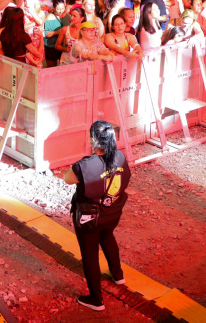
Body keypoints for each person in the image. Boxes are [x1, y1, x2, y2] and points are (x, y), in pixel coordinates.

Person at [61, 120, 131, 311]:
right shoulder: (120, 156)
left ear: (93, 140)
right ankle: (118, 275)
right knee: (108, 237)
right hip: (113, 213)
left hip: (90, 218)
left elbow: (67, 178)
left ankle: (96, 299)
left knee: (90, 255)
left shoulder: (87, 165)